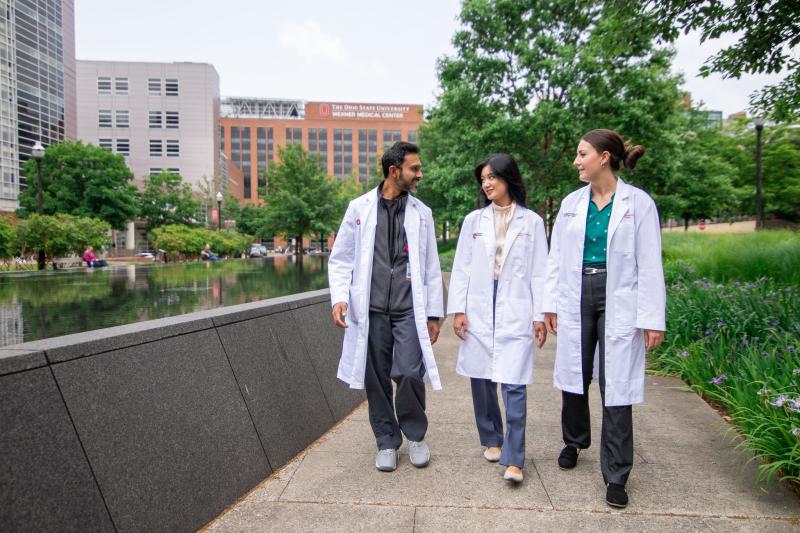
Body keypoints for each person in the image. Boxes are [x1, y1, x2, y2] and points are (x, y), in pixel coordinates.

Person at [542, 129, 666, 509]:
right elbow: (557, 257)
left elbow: (650, 262)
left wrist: (652, 317)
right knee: (574, 374)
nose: (576, 161)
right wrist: (549, 303)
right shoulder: (571, 203)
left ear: (605, 157)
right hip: (576, 290)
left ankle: (616, 474)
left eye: (582, 154)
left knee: (617, 383)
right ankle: (574, 440)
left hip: (619, 296)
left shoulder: (638, 203)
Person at [328, 141, 443, 472]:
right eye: (414, 169)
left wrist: (434, 314)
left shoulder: (422, 214)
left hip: (408, 309)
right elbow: (342, 258)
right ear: (395, 171)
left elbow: (432, 266)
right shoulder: (359, 208)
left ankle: (416, 434)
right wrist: (339, 298)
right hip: (371, 311)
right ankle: (387, 441)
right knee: (376, 378)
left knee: (408, 372)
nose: (420, 174)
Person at [447, 154, 548, 483]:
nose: (486, 183)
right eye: (483, 179)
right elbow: (461, 267)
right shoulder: (473, 221)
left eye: (492, 177)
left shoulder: (532, 221)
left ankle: (515, 457)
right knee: (481, 375)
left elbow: (539, 272)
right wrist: (459, 309)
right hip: (479, 300)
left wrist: (539, 315)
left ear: (508, 178)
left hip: (515, 303)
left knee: (514, 381)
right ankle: (491, 436)